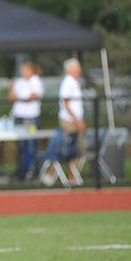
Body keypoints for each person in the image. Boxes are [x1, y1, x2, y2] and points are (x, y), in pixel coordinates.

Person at [41, 57, 86, 187]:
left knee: (73, 149)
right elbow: (66, 103)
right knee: (67, 148)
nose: (79, 71)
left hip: (74, 120)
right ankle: (52, 174)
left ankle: (71, 176)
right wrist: (77, 120)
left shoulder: (74, 82)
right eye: (76, 68)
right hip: (70, 122)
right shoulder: (68, 82)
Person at [8, 61, 44, 181]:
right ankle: (22, 172)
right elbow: (11, 97)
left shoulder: (36, 81)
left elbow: (33, 96)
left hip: (32, 117)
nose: (22, 72)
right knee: (21, 146)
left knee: (33, 145)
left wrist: (19, 97)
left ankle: (35, 171)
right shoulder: (19, 82)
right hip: (19, 117)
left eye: (25, 69)